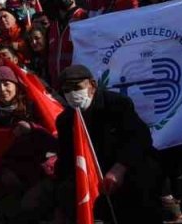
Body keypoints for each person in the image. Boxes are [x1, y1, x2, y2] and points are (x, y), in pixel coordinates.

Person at [54, 65, 161, 222]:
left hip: (125, 167)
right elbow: (66, 157)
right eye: (67, 90)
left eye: (77, 87)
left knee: (143, 179)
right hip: (89, 174)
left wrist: (120, 168)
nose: (72, 94)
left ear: (92, 85)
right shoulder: (65, 120)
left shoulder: (117, 104)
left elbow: (140, 138)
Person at [0, 66, 56, 223]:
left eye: (6, 84)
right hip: (10, 174)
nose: (2, 89)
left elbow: (53, 140)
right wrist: (3, 171)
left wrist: (32, 128)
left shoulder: (33, 107)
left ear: (16, 85)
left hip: (38, 171)